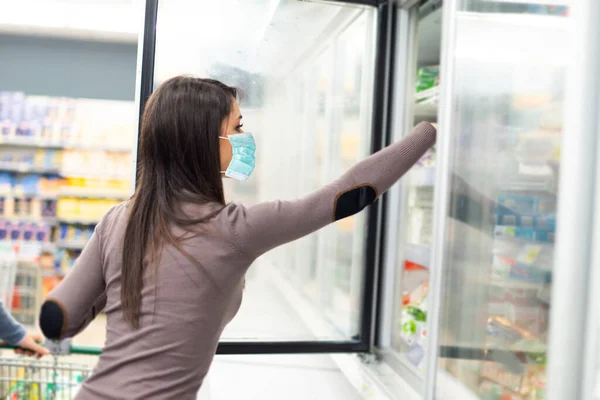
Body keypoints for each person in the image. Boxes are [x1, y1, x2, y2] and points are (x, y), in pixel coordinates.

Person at [39, 76, 437, 399]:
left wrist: (115, 294)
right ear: (203, 142)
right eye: (238, 127)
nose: (246, 138)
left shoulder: (118, 220)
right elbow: (347, 195)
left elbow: (57, 318)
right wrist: (431, 131)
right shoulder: (234, 229)